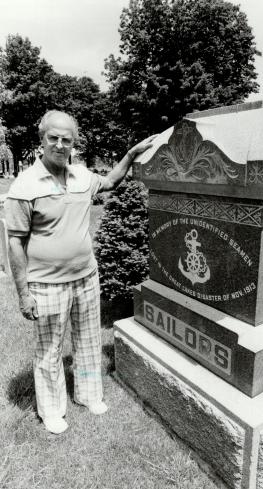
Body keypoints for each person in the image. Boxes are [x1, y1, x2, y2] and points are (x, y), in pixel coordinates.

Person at [4, 110, 155, 434]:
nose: (59, 144)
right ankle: (52, 410)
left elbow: (111, 181)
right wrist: (23, 293)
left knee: (87, 341)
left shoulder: (82, 176)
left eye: (66, 139)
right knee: (49, 350)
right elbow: (15, 243)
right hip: (45, 284)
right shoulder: (25, 185)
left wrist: (131, 154)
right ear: (42, 140)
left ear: (73, 143)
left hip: (86, 277)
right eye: (53, 138)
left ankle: (88, 395)